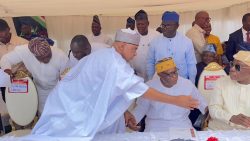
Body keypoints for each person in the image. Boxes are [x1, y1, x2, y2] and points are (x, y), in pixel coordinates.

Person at [31, 28, 199, 139]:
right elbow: (139, 89)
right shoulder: (114, 62)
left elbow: (111, 90)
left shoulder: (110, 57)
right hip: (73, 108)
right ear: (121, 46)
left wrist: (124, 111)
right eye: (134, 49)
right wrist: (176, 100)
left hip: (82, 105)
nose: (136, 53)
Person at [128, 58, 207, 132]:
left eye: (175, 72)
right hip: (155, 126)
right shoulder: (149, 87)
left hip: (182, 124)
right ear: (160, 75)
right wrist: (133, 121)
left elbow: (202, 103)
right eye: (170, 74)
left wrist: (210, 116)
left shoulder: (187, 84)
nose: (175, 76)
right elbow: (141, 109)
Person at [0, 37, 68, 114]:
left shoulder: (60, 55)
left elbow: (67, 79)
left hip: (58, 90)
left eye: (49, 56)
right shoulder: (24, 51)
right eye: (43, 58)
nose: (46, 59)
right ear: (34, 55)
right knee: (43, 115)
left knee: (60, 114)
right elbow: (5, 59)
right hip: (40, 90)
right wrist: (8, 71)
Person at [147, 11, 197, 84]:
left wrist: (192, 83)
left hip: (181, 82)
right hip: (160, 82)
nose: (164, 28)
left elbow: (191, 64)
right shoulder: (155, 41)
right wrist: (151, 81)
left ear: (177, 26)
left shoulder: (186, 42)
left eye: (168, 25)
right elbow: (150, 62)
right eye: (163, 25)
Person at [208, 50, 250, 130]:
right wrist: (231, 118)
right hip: (221, 130)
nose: (232, 69)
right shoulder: (220, 82)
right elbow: (213, 109)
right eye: (232, 64)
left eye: (238, 67)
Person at [0, 19, 28, 102]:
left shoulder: (22, 43)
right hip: (4, 82)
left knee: (25, 103)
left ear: (8, 29)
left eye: (2, 31)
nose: (0, 34)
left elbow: (31, 63)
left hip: (21, 80)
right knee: (10, 104)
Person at [130, 10, 160, 82]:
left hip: (154, 73)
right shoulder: (131, 36)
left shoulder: (156, 35)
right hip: (137, 74)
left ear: (148, 23)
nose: (140, 26)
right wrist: (131, 69)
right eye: (138, 24)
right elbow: (127, 55)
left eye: (142, 24)